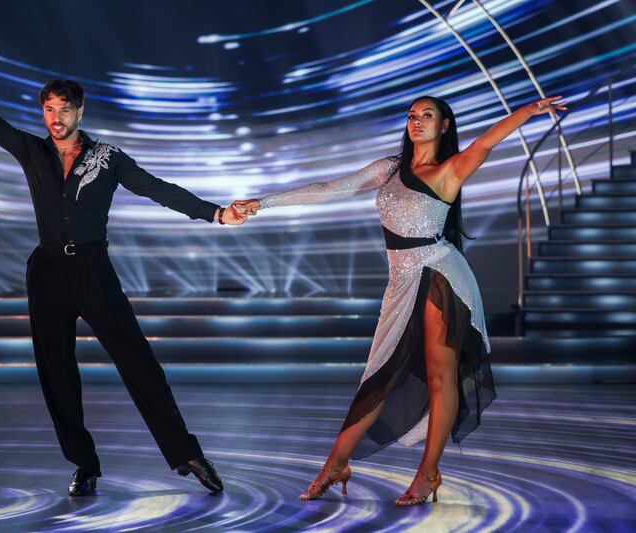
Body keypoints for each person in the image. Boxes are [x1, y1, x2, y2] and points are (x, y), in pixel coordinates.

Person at [0, 78, 246, 496]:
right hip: (47, 272)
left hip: (92, 270)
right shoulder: (31, 151)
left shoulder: (108, 158)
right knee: (57, 373)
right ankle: (84, 465)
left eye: (64, 110)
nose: (56, 118)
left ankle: (187, 453)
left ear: (80, 111)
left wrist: (214, 213)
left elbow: (158, 189)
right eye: (49, 110)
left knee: (139, 363)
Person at [235, 95, 566, 505]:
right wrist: (263, 203)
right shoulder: (389, 168)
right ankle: (337, 464)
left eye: (427, 116)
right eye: (412, 115)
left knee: (440, 375)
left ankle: (426, 475)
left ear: (445, 125)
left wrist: (528, 111)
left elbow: (485, 144)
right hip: (400, 283)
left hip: (440, 274)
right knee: (379, 376)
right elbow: (331, 189)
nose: (417, 121)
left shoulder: (449, 170)